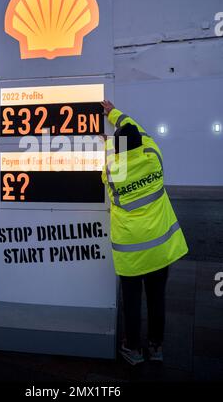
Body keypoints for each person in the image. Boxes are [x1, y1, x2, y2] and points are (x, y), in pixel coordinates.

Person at [101, 100, 188, 366]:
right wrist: (114, 113)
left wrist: (106, 139)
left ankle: (133, 349)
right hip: (160, 247)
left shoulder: (113, 170)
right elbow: (137, 128)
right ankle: (156, 346)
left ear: (117, 149)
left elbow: (111, 154)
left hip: (131, 252)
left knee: (131, 302)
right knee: (157, 298)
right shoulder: (153, 154)